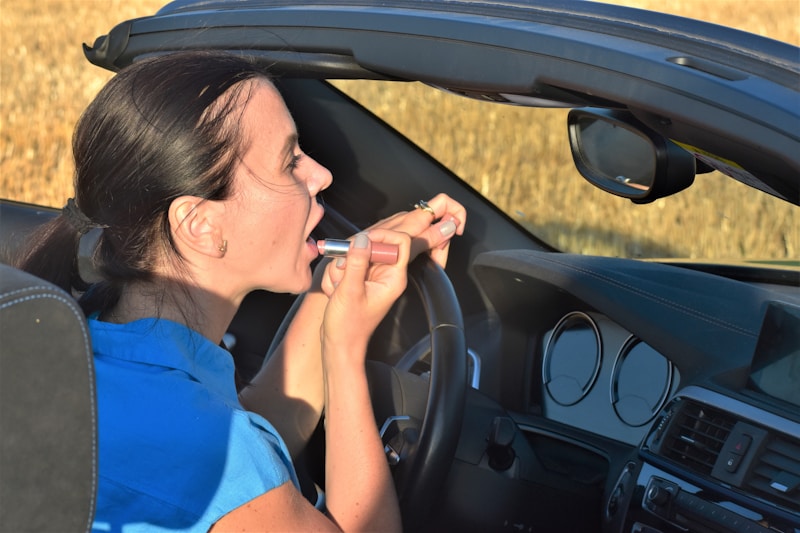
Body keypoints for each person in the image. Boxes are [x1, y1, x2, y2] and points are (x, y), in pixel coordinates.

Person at [15, 51, 466, 532]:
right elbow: (231, 461)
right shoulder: (206, 448)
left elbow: (255, 432)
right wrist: (344, 352)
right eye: (289, 161)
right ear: (202, 225)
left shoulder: (102, 345)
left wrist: (327, 292)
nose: (321, 175)